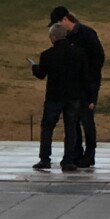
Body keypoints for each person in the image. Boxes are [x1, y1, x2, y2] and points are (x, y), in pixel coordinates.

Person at [49, 7, 105, 169]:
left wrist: (90, 79)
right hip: (73, 85)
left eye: (57, 24)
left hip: (88, 84)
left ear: (65, 20)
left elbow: (99, 57)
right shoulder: (66, 38)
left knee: (86, 120)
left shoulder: (87, 34)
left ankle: (90, 154)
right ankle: (76, 152)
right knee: (73, 120)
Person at [30, 24, 90, 172]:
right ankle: (68, 161)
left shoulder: (47, 55)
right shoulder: (79, 53)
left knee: (47, 128)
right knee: (71, 128)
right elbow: (85, 77)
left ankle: (45, 159)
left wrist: (34, 68)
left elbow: (41, 74)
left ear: (53, 37)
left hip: (54, 97)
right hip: (73, 97)